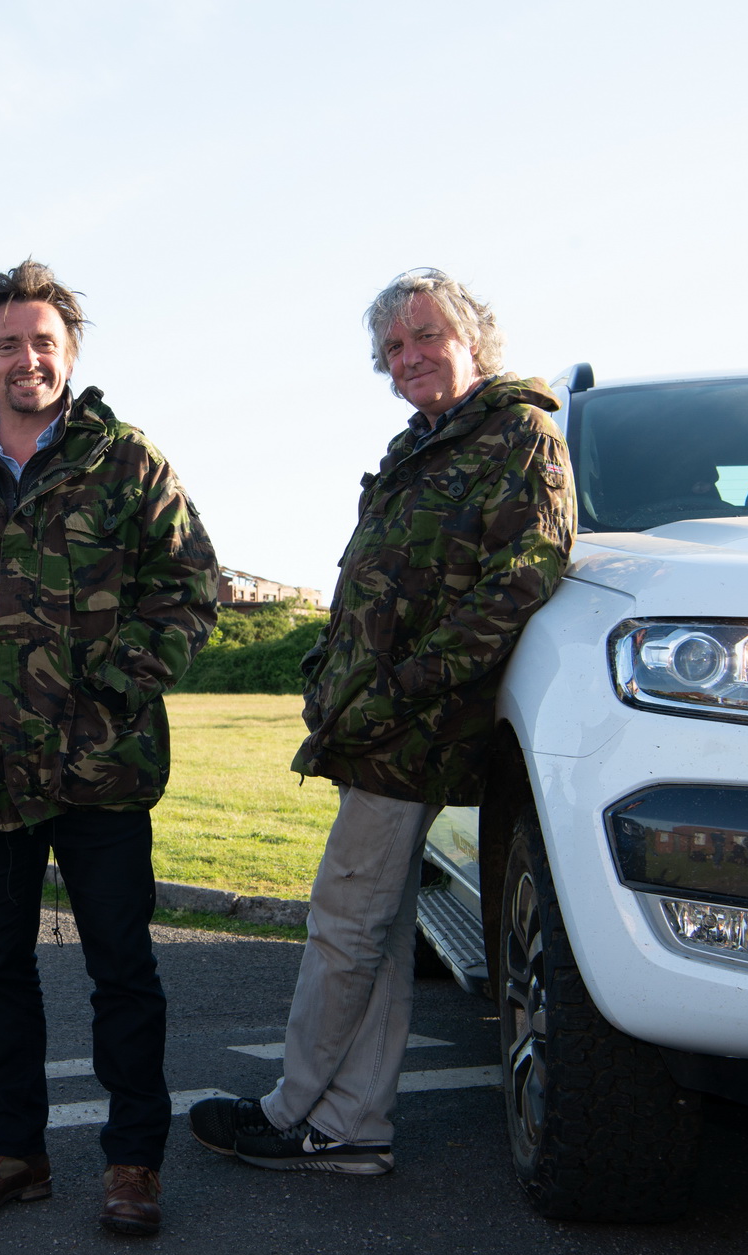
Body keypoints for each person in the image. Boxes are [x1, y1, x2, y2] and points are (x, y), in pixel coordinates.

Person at [189, 268, 575, 1177]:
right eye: (394, 347)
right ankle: (351, 1123)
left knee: (344, 922)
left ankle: (292, 1112)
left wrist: (407, 682)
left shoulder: (517, 433)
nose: (409, 358)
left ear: (472, 338)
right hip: (381, 719)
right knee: (381, 928)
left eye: (427, 336)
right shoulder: (424, 444)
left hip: (418, 726)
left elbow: (527, 574)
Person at [0, 260, 218, 1236]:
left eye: (42, 342)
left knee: (122, 967)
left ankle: (132, 1165)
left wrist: (113, 697)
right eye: (6, 345)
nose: (25, 358)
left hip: (103, 767)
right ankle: (12, 1153)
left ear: (69, 353)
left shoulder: (128, 463)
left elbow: (188, 587)